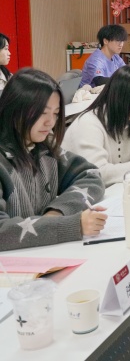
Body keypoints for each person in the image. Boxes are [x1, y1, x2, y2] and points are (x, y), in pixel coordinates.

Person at [0, 68, 106, 250]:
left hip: (40, 254)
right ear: (15, 110)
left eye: (56, 113)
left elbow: (91, 175)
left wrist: (56, 213)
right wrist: (71, 225)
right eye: (43, 112)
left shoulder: (43, 149)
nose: (50, 122)